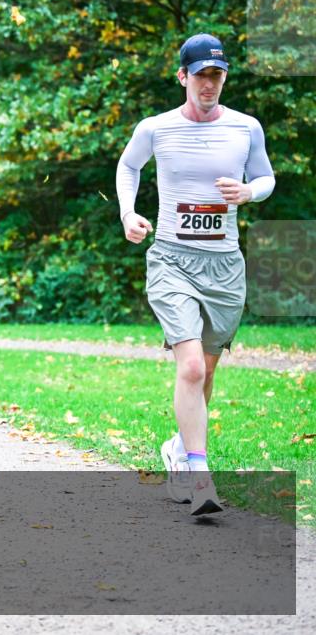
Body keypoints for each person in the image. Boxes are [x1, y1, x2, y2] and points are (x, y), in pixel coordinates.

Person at [116, 33, 275, 517]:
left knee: (205, 370)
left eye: (217, 75)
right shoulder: (156, 128)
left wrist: (250, 193)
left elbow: (266, 178)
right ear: (183, 76)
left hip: (224, 264)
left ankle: (178, 448)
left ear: (224, 78)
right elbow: (128, 166)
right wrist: (127, 212)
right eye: (201, 75)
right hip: (171, 258)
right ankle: (200, 476)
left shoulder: (246, 128)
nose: (209, 84)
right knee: (188, 366)